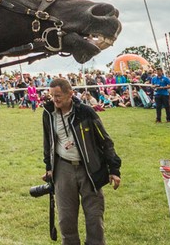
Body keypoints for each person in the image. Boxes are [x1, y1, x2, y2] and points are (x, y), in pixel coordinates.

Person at [42, 77, 121, 245]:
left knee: (94, 218)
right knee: (66, 220)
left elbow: (105, 141)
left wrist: (114, 170)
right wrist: (49, 167)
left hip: (90, 169)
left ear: (70, 94)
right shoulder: (48, 113)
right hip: (63, 168)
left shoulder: (86, 111)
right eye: (52, 95)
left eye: (58, 95)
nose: (55, 99)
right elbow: (47, 141)